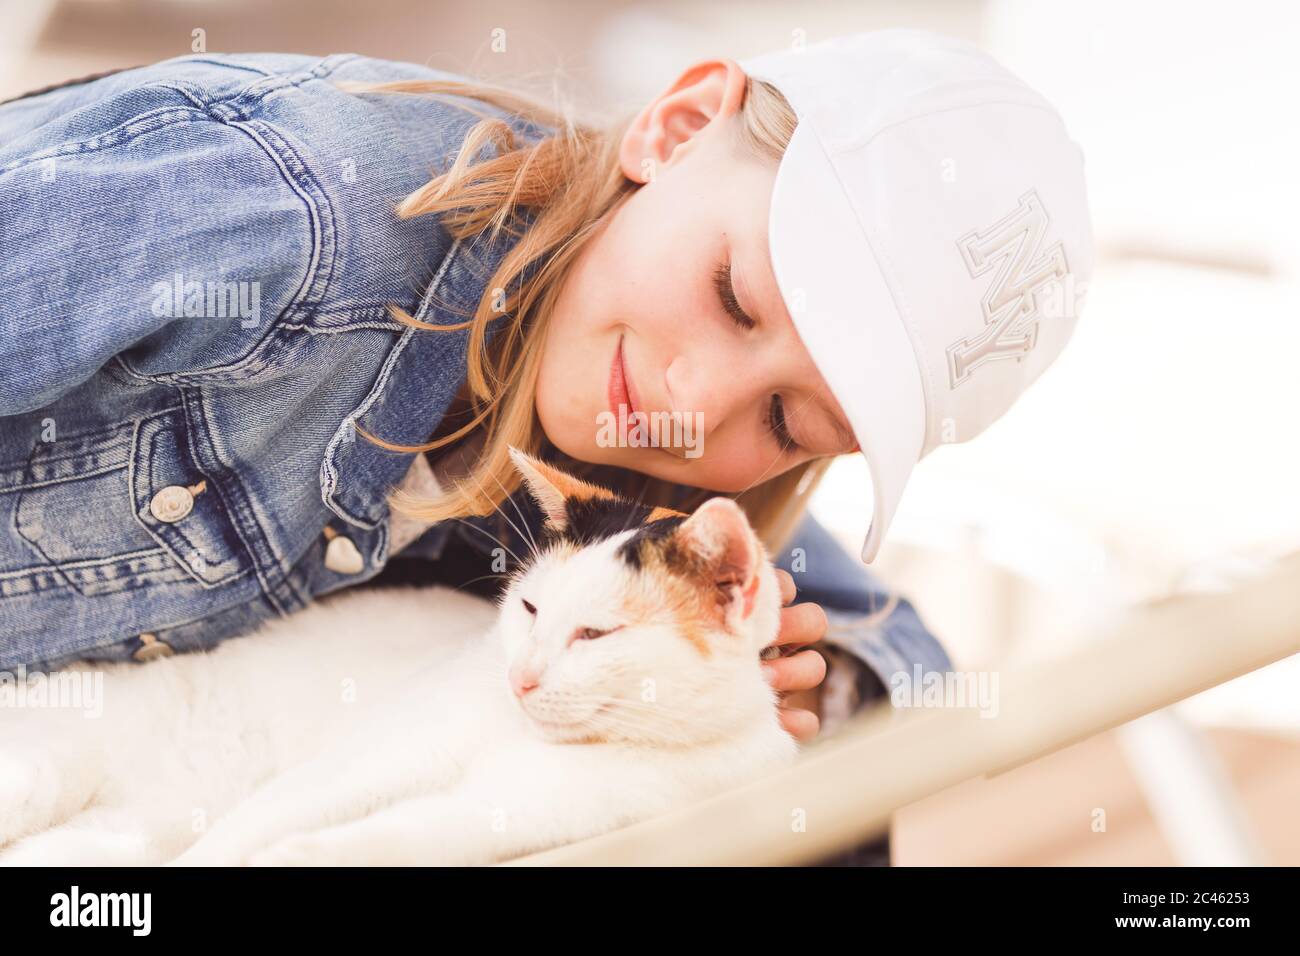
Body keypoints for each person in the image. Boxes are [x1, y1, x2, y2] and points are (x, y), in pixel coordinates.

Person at [0, 31, 1089, 758]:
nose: (695, 399)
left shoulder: (612, 464)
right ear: (676, 127)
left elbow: (877, 632)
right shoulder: (277, 209)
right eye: (732, 295)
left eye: (788, 421)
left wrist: (812, 681)